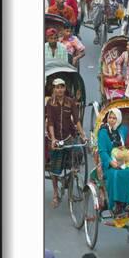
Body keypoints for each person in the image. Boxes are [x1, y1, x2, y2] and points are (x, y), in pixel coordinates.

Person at [46, 78, 87, 207]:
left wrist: (83, 135)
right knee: (54, 168)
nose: (59, 89)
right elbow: (51, 122)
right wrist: (53, 139)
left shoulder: (71, 102)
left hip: (69, 135)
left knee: (78, 152)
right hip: (56, 138)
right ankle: (55, 192)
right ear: (53, 89)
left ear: (65, 88)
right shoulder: (50, 103)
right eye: (57, 87)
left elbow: (76, 120)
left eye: (62, 87)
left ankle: (73, 174)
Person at [98, 108, 129, 214]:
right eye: (110, 117)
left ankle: (127, 202)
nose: (112, 120)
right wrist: (111, 162)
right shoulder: (103, 132)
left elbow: (125, 145)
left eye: (114, 118)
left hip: (121, 159)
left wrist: (124, 149)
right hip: (109, 163)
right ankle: (117, 203)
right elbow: (102, 151)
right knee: (116, 174)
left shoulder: (122, 130)